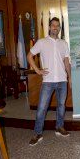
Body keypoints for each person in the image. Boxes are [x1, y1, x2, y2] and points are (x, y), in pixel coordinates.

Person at [27, 17, 71, 146]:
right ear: (49, 27)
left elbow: (66, 62)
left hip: (62, 81)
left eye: (57, 26)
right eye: (53, 25)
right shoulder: (42, 42)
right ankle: (37, 133)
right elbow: (29, 56)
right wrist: (37, 70)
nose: (55, 28)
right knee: (42, 108)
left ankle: (59, 127)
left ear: (59, 28)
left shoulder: (64, 43)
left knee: (61, 106)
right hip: (48, 81)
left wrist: (70, 77)